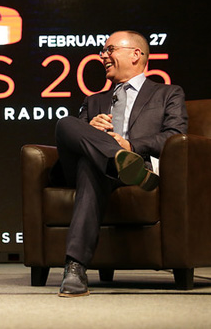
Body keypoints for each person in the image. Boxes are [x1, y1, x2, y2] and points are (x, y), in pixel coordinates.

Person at [52, 30, 187, 297]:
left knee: (90, 167)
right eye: (104, 51)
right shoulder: (94, 100)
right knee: (67, 124)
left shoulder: (167, 94)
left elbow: (174, 136)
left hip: (135, 167)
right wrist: (89, 128)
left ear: (136, 54)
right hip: (106, 167)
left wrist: (132, 146)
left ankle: (75, 267)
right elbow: (73, 140)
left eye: (110, 49)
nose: (104, 55)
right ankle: (116, 160)